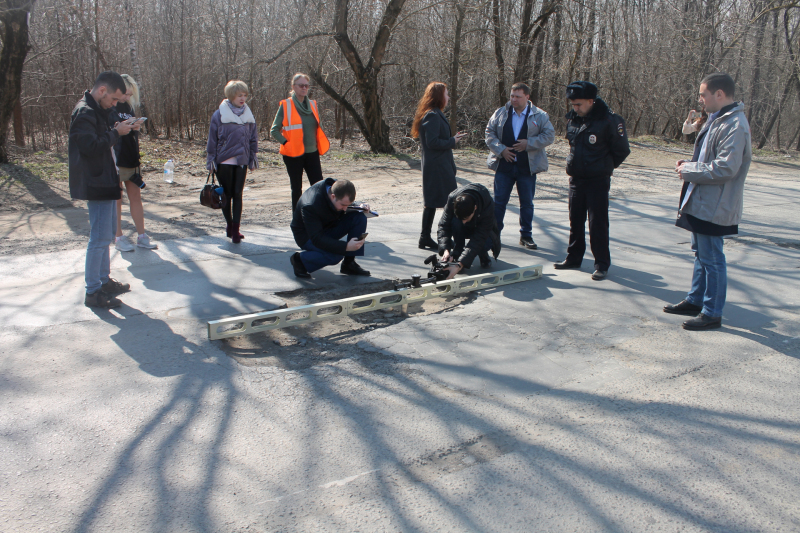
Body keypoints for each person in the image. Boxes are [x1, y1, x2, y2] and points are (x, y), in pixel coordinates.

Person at [665, 73, 751, 330]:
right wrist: (689, 165)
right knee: (701, 255)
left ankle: (712, 312)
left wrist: (689, 171)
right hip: (702, 201)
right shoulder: (717, 120)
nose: (700, 100)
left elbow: (726, 168)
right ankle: (696, 299)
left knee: (712, 258)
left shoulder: (735, 124)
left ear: (720, 94)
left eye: (703, 94)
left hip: (716, 205)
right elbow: (708, 157)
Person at [69, 71, 134, 308]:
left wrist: (115, 126)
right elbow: (89, 146)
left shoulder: (97, 109)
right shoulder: (84, 112)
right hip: (94, 181)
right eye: (114, 100)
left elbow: (100, 136)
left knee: (106, 234)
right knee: (99, 238)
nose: (115, 104)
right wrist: (116, 133)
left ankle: (104, 281)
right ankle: (93, 291)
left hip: (105, 178)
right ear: (102, 90)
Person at [554, 81, 630, 281]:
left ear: (591, 101)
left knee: (597, 223)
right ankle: (573, 258)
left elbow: (621, 150)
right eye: (573, 105)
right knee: (575, 221)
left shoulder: (609, 120)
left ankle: (601, 264)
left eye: (579, 104)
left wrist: (604, 166)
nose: (575, 108)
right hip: (577, 179)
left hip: (598, 180)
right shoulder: (573, 119)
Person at [485, 82, 554, 250]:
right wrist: (501, 150)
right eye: (512, 96)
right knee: (499, 202)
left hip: (527, 167)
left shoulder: (539, 115)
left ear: (527, 97)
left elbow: (549, 135)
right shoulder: (501, 113)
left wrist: (529, 143)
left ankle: (526, 236)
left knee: (527, 203)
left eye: (518, 96)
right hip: (504, 166)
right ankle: (494, 235)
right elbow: (489, 133)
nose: (514, 99)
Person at [411, 82, 467, 251]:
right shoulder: (432, 115)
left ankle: (426, 237)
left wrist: (452, 139)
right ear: (439, 96)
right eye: (446, 94)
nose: (448, 97)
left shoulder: (434, 114)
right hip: (437, 167)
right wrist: (452, 141)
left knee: (434, 202)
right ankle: (443, 238)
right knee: (447, 202)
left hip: (439, 164)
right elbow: (432, 141)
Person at [206, 80, 259, 243]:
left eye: (244, 95)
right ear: (231, 96)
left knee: (238, 194)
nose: (242, 99)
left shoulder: (248, 115)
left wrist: (253, 156)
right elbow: (212, 139)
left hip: (242, 159)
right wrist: (211, 159)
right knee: (227, 195)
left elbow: (253, 138)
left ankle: (236, 229)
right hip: (225, 160)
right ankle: (229, 225)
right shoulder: (219, 114)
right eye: (239, 96)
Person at [110, 74, 157, 252]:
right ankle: (119, 237)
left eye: (130, 94)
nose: (127, 97)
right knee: (117, 199)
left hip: (131, 157)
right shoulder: (110, 105)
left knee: (136, 197)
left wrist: (135, 126)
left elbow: (129, 132)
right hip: (117, 157)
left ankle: (142, 236)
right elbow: (111, 130)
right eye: (126, 94)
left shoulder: (129, 107)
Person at [289, 178, 370, 279]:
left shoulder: (337, 187)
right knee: (336, 255)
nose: (345, 208)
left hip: (329, 226)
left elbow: (346, 202)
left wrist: (359, 205)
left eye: (347, 205)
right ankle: (300, 260)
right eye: (343, 205)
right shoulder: (310, 205)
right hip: (307, 236)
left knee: (359, 217)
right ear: (333, 196)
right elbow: (317, 239)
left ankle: (349, 264)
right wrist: (346, 247)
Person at [271, 73, 330, 210]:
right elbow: (274, 130)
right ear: (293, 87)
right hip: (293, 155)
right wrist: (286, 143)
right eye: (301, 85)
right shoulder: (286, 105)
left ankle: (317, 216)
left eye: (306, 85)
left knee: (318, 186)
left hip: (312, 153)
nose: (304, 88)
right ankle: (298, 220)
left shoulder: (313, 105)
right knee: (296, 189)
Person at [437, 183, 501, 280]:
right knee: (455, 222)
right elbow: (443, 226)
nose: (464, 222)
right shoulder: (452, 198)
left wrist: (460, 265)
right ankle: (458, 252)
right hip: (467, 227)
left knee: (484, 244)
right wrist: (446, 250)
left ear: (475, 208)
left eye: (466, 218)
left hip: (482, 230)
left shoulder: (486, 203)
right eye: (461, 218)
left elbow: (480, 237)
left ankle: (482, 254)